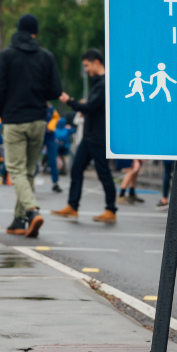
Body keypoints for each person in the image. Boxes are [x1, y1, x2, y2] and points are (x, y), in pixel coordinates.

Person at [0, 13, 63, 236]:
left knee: (15, 169)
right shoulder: (46, 57)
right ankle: (18, 220)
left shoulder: (6, 56)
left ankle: (32, 211)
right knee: (28, 171)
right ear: (35, 33)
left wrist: (4, 113)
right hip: (38, 120)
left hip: (14, 120)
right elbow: (54, 90)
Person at [52, 49, 117, 224]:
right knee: (76, 168)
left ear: (96, 62)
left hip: (98, 136)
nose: (86, 70)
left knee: (103, 173)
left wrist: (70, 102)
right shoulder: (98, 83)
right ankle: (72, 206)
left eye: (87, 66)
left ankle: (111, 209)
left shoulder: (104, 84)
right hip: (89, 136)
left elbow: (91, 107)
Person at [44, 102, 61, 193]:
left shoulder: (51, 107)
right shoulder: (38, 105)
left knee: (53, 160)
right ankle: (30, 181)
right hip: (40, 135)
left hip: (50, 136)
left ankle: (55, 183)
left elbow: (56, 118)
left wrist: (51, 126)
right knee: (33, 159)